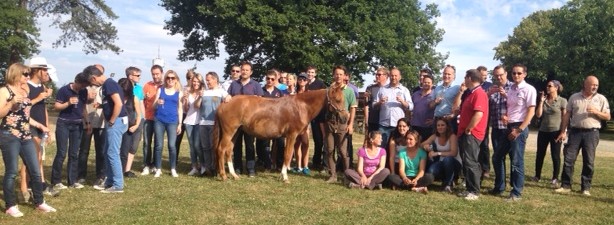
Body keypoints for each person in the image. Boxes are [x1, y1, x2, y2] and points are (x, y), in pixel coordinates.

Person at [1, 63, 57, 217]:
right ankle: (10, 205)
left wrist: (40, 125)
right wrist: (10, 104)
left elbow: (24, 116)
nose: (27, 77)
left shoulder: (25, 91)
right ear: (15, 75)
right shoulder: (4, 91)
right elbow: (1, 113)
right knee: (11, 172)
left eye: (28, 74)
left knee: (35, 170)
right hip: (9, 136)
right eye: (25, 74)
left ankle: (39, 202)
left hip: (26, 135)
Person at [555, 75, 610, 196]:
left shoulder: (601, 99)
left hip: (592, 133)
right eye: (592, 84)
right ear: (585, 84)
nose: (595, 87)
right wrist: (563, 131)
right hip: (575, 132)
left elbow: (608, 116)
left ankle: (585, 188)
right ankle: (566, 185)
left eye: (596, 85)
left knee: (589, 161)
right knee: (569, 159)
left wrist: (596, 112)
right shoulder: (574, 97)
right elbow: (567, 116)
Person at [491, 64, 536, 201]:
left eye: (519, 73)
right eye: (514, 73)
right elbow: (512, 108)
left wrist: (519, 129)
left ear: (524, 74)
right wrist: (507, 118)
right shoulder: (510, 89)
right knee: (497, 157)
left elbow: (531, 111)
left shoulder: (529, 89)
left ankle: (516, 193)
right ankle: (500, 187)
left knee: (516, 161)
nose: (516, 75)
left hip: (519, 128)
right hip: (509, 126)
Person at [84, 65, 128, 193]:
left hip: (117, 121)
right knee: (107, 152)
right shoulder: (107, 85)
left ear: (93, 78)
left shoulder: (109, 84)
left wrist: (112, 120)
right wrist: (102, 105)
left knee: (113, 153)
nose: (92, 84)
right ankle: (109, 181)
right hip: (116, 121)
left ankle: (118, 184)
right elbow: (113, 102)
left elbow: (119, 104)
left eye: (91, 82)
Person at [21, 56, 55, 196]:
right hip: (30, 124)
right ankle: (25, 188)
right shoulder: (25, 85)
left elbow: (44, 109)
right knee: (30, 157)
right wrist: (39, 98)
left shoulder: (42, 86)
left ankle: (35, 185)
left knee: (38, 156)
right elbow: (23, 107)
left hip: (41, 126)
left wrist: (46, 127)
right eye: (45, 69)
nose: (47, 72)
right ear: (37, 70)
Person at [50, 73, 89, 189]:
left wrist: (87, 122)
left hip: (77, 125)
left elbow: (83, 108)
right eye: (81, 85)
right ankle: (56, 181)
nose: (82, 88)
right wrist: (68, 103)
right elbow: (56, 107)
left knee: (74, 154)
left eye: (84, 86)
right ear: (76, 81)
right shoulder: (64, 90)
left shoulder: (84, 91)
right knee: (61, 153)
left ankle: (72, 181)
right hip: (64, 123)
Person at [456, 69, 489, 200]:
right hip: (465, 132)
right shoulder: (471, 93)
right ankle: (469, 188)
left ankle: (474, 191)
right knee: (466, 161)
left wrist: (469, 128)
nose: (464, 79)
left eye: (465, 77)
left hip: (472, 133)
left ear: (470, 78)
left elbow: (479, 114)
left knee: (471, 161)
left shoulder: (479, 93)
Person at [227, 61, 263, 176]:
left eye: (247, 70)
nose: (244, 72)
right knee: (236, 145)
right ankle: (238, 168)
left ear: (251, 72)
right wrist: (228, 96)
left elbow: (261, 102)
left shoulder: (256, 85)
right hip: (235, 120)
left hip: (250, 121)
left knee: (249, 144)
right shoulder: (234, 84)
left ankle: (251, 168)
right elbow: (230, 98)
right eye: (243, 70)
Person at [324, 65, 357, 183]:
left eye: (341, 74)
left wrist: (350, 124)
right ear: (333, 75)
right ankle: (333, 175)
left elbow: (353, 108)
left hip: (343, 124)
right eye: (336, 74)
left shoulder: (349, 91)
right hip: (330, 123)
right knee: (330, 150)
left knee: (343, 152)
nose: (338, 76)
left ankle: (347, 176)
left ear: (345, 76)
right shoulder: (329, 90)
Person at [533, 80, 566, 188]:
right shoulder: (544, 100)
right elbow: (538, 115)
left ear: (556, 88)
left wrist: (563, 132)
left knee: (555, 155)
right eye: (547, 86)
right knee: (540, 154)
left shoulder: (562, 101)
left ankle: (555, 178)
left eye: (550, 86)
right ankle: (537, 176)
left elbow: (565, 118)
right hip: (543, 131)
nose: (547, 88)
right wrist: (541, 102)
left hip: (556, 131)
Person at [78, 64, 106, 187]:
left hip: (101, 122)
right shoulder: (85, 86)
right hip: (86, 122)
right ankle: (81, 175)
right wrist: (88, 99)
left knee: (101, 150)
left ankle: (100, 175)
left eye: (101, 72)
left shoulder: (105, 87)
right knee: (84, 150)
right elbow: (81, 104)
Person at [153, 70, 184, 178]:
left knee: (172, 145)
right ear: (165, 79)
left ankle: (173, 168)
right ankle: (158, 169)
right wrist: (157, 103)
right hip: (159, 120)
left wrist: (180, 124)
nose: (170, 80)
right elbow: (153, 106)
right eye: (168, 78)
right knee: (159, 145)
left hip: (172, 121)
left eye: (172, 78)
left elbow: (180, 109)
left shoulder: (179, 92)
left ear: (176, 80)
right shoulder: (160, 90)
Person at [374, 67, 413, 150]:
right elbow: (374, 105)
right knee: (381, 148)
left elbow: (411, 106)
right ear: (389, 76)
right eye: (392, 75)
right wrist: (380, 102)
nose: (394, 78)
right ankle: (382, 163)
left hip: (398, 126)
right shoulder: (382, 89)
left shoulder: (404, 90)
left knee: (398, 149)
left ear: (400, 77)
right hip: (384, 125)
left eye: (396, 76)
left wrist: (402, 101)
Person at [199, 71, 231, 176]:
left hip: (215, 124)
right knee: (205, 147)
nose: (207, 82)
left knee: (214, 146)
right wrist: (199, 97)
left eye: (209, 80)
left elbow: (229, 99)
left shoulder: (222, 92)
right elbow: (197, 105)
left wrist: (227, 98)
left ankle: (216, 168)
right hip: (203, 123)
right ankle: (208, 168)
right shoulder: (204, 92)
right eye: (206, 80)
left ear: (215, 80)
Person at [487, 65, 512, 191]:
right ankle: (499, 186)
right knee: (498, 157)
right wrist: (487, 95)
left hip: (510, 128)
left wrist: (507, 95)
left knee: (514, 157)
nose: (499, 77)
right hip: (496, 127)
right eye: (496, 75)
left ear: (506, 74)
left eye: (501, 75)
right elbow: (485, 106)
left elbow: (518, 105)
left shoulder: (513, 87)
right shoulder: (493, 88)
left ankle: (515, 185)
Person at [423, 118, 461, 193]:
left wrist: (438, 153)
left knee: (447, 159)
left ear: (447, 126)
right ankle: (444, 180)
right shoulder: (435, 136)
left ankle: (448, 184)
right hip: (441, 162)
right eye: (438, 125)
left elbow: (454, 153)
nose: (440, 127)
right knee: (431, 170)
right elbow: (422, 144)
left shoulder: (452, 136)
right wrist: (426, 146)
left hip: (454, 163)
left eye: (443, 125)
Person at [256, 70, 285, 171]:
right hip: (263, 121)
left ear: (276, 79)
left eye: (272, 79)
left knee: (280, 143)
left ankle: (279, 165)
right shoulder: (260, 91)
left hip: (277, 122)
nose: (270, 81)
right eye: (268, 78)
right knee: (263, 144)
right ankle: (264, 163)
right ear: (265, 78)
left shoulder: (279, 92)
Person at [141, 65, 164, 175]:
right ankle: (146, 165)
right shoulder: (147, 85)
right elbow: (140, 100)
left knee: (158, 143)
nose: (155, 76)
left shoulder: (165, 86)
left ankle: (155, 164)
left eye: (157, 74)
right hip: (148, 117)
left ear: (161, 73)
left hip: (160, 119)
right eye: (153, 74)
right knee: (146, 142)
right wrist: (145, 97)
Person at [118, 77, 142, 179]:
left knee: (124, 151)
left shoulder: (134, 98)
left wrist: (136, 126)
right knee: (115, 150)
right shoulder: (116, 97)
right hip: (117, 126)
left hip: (129, 128)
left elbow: (139, 114)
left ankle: (122, 173)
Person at [123, 66, 145, 178]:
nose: (140, 77)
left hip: (138, 120)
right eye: (137, 75)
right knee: (124, 146)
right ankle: (121, 168)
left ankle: (127, 170)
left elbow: (141, 104)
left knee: (134, 146)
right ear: (130, 76)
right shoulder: (123, 87)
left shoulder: (139, 89)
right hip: (126, 120)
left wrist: (142, 119)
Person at [306, 66, 327, 171]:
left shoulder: (320, 84)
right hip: (304, 115)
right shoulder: (303, 83)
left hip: (317, 116)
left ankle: (317, 162)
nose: (310, 74)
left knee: (318, 140)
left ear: (315, 74)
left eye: (312, 72)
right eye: (308, 72)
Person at [430, 65, 462, 133]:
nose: (446, 76)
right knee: (436, 142)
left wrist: (453, 115)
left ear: (454, 76)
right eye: (444, 73)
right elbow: (431, 105)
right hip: (437, 119)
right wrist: (435, 102)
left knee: (450, 142)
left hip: (449, 120)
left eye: (449, 74)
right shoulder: (437, 88)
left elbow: (459, 106)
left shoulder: (457, 88)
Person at [183, 73, 205, 176]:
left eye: (198, 82)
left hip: (199, 122)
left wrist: (200, 97)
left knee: (197, 145)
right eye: (194, 81)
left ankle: (203, 165)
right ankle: (194, 166)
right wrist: (185, 100)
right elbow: (186, 109)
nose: (195, 83)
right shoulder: (188, 92)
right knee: (192, 146)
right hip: (188, 121)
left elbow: (199, 107)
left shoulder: (204, 93)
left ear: (201, 83)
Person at [292, 73, 311, 174]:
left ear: (307, 81)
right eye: (300, 79)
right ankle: (298, 166)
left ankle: (306, 166)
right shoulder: (294, 92)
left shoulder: (309, 93)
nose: (302, 81)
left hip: (306, 122)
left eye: (304, 79)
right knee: (296, 144)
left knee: (306, 144)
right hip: (294, 121)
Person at [476, 66, 493, 178]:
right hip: (474, 118)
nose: (484, 77)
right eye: (482, 75)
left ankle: (485, 168)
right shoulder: (474, 85)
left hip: (485, 119)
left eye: (486, 75)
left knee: (484, 145)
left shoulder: (489, 86)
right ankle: (476, 166)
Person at [364, 67, 388, 134]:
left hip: (385, 121)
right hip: (373, 119)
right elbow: (366, 105)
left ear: (386, 76)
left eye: (379, 75)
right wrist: (366, 120)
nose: (377, 76)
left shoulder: (390, 89)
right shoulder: (370, 88)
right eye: (376, 74)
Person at [411, 74, 435, 140]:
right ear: (422, 82)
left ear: (432, 84)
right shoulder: (415, 94)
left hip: (427, 127)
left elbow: (439, 109)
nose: (426, 84)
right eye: (425, 82)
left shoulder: (434, 95)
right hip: (414, 125)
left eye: (428, 82)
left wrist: (434, 120)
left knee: (425, 147)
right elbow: (410, 107)